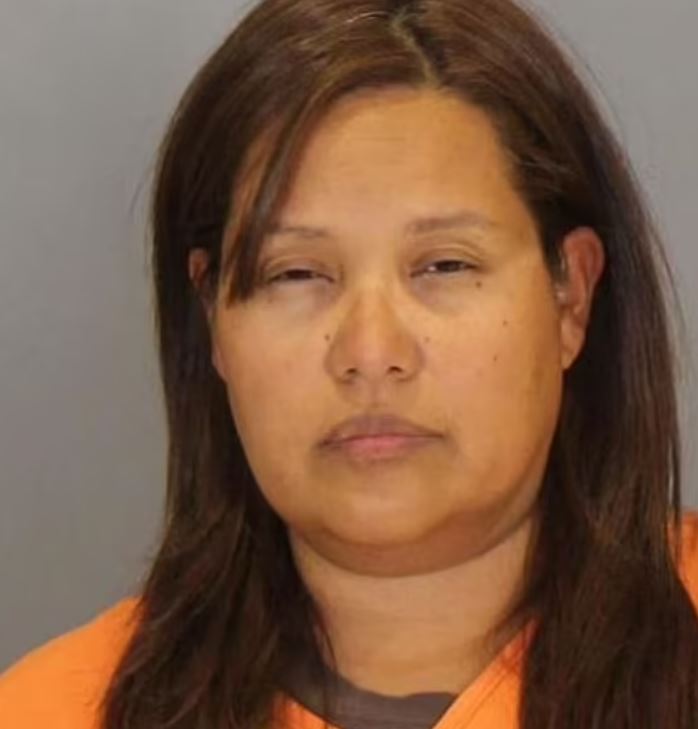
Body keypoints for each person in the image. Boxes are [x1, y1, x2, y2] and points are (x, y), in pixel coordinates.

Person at [1, 0, 697, 727]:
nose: (370, 353)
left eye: (444, 265)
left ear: (571, 296)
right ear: (212, 317)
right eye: (296, 273)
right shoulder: (50, 710)